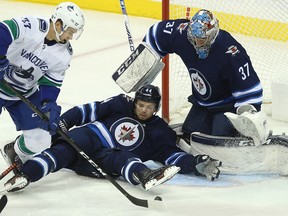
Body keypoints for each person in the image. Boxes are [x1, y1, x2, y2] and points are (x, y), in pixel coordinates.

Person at [3, 84, 221, 192]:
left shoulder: (160, 131)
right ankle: (25, 176)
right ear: (135, 102)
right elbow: (88, 111)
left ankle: (144, 176)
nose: (144, 110)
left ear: (156, 108)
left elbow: (172, 155)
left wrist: (194, 165)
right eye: (141, 105)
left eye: (149, 107)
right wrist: (65, 122)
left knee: (125, 159)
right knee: (62, 151)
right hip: (89, 137)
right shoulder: (120, 104)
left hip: (102, 162)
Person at [142, 9, 264, 141]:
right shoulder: (182, 33)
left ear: (212, 34)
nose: (196, 43)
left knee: (218, 142)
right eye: (193, 38)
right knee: (189, 137)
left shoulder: (230, 52)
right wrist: (142, 62)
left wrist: (247, 116)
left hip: (227, 108)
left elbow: (250, 89)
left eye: (202, 39)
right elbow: (157, 34)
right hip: (202, 104)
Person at [0, 2, 85, 170]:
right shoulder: (32, 25)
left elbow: (51, 82)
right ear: (59, 24)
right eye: (70, 32)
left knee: (41, 141)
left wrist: (48, 103)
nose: (71, 37)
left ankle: (15, 152)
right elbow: (2, 31)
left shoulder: (64, 54)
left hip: (24, 93)